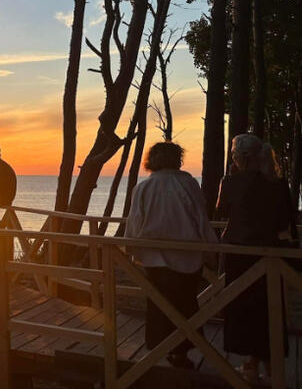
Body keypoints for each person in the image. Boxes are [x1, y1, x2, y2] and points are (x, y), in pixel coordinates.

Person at [125, 142, 218, 369]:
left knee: (159, 305)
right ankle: (181, 352)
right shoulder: (187, 184)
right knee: (186, 303)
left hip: (154, 258)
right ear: (178, 159)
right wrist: (210, 249)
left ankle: (161, 350)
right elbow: (200, 217)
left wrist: (131, 250)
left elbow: (135, 221)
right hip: (187, 257)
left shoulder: (144, 187)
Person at [217, 134, 295, 383]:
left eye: (233, 155)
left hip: (240, 254)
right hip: (270, 253)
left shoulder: (231, 182)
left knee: (244, 311)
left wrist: (230, 180)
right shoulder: (278, 183)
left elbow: (220, 211)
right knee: (268, 310)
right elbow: (284, 221)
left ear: (240, 157)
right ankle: (268, 367)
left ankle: (253, 365)